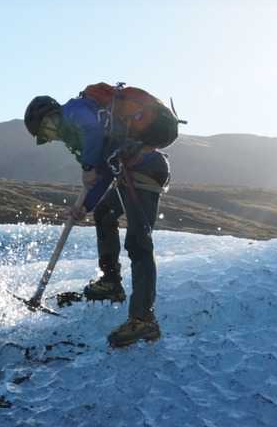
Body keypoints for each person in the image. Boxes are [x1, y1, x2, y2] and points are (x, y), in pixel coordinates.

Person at [24, 89, 172, 347]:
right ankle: (112, 281)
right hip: (132, 170)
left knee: (138, 242)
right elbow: (103, 173)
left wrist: (88, 166)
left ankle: (143, 319)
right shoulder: (76, 134)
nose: (48, 137)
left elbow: (93, 138)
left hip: (146, 168)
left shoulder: (74, 110)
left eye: (44, 130)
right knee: (104, 213)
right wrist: (86, 207)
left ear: (50, 116)